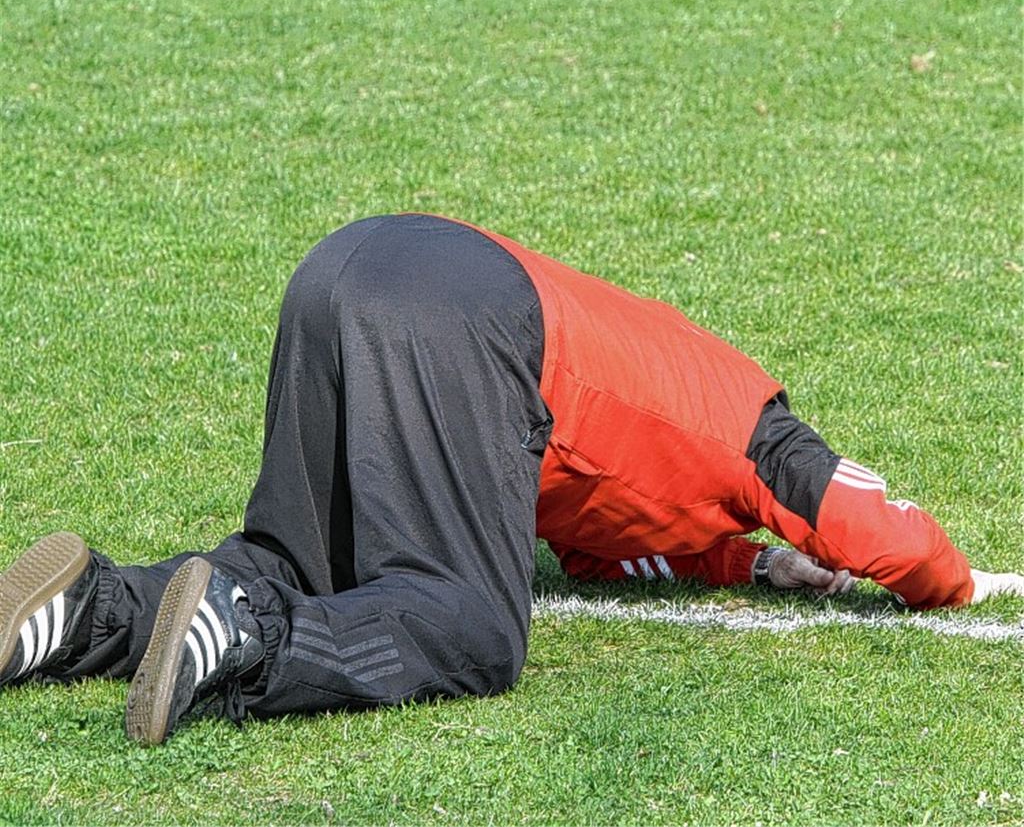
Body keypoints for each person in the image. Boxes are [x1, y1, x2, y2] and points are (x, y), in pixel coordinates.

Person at [1, 213, 1021, 746]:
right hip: (469, 321)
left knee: (290, 559)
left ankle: (88, 610)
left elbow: (607, 542)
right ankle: (256, 638)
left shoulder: (673, 437)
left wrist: (749, 566)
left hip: (353, 265)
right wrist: (953, 583)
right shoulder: (763, 433)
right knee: (472, 624)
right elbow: (881, 529)